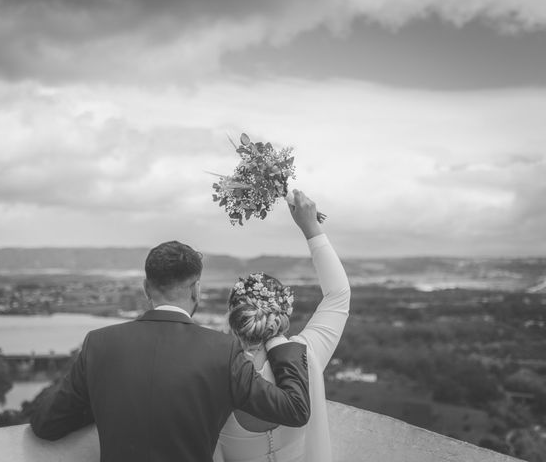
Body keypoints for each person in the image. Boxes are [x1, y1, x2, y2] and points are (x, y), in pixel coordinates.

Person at [31, 238, 311, 461]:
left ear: (145, 288)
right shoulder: (222, 350)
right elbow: (294, 410)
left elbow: (46, 424)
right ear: (196, 290)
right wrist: (280, 343)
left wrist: (101, 400)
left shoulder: (99, 344)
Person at [215, 190, 351, 462]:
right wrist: (310, 226)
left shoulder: (214, 369)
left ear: (234, 313)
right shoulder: (304, 356)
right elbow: (338, 293)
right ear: (283, 311)